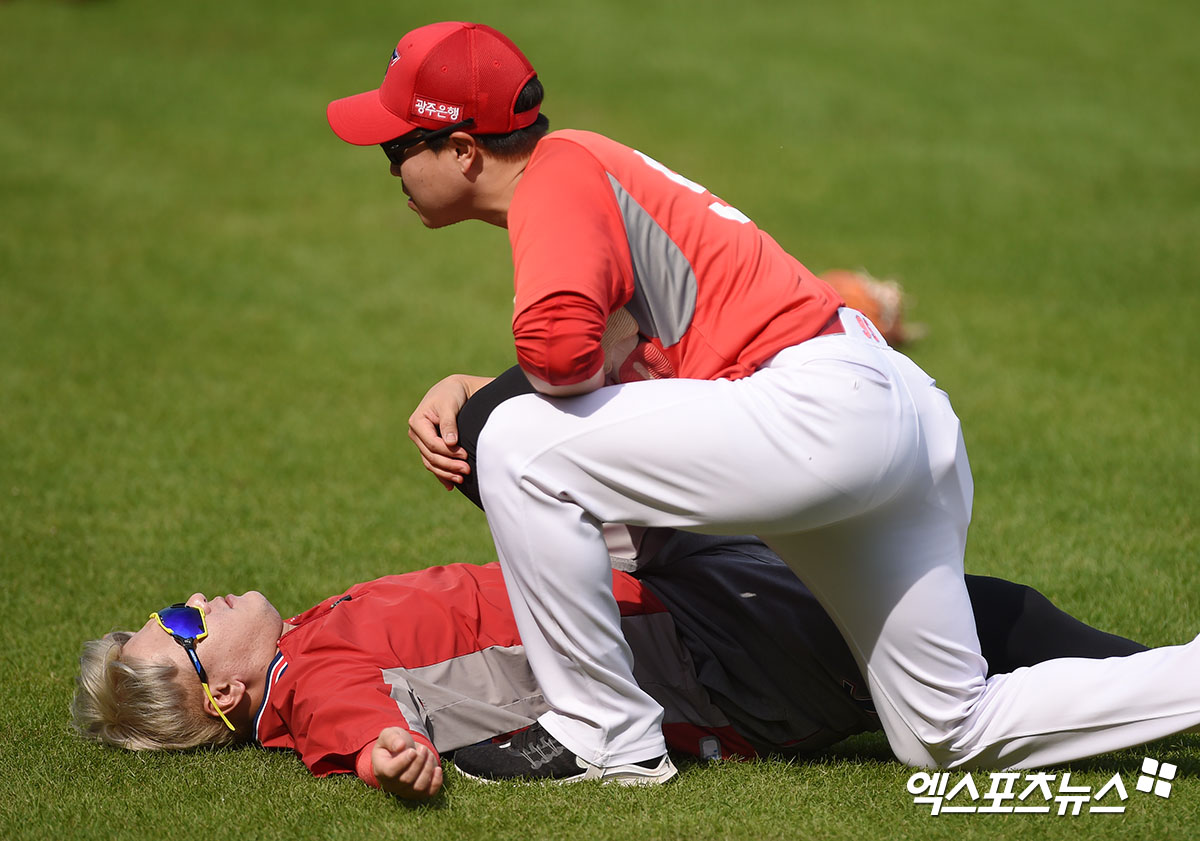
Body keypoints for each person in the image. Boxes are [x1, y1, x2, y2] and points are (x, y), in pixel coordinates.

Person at [326, 20, 1200, 785]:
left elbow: (557, 354)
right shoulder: (592, 170)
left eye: (398, 148)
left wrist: (483, 397)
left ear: (466, 150)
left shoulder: (557, 177)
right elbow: (624, 377)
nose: (389, 167)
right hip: (882, 414)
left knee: (512, 436)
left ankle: (605, 737)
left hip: (816, 412)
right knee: (945, 731)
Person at [71, 534, 1147, 801]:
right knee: (975, 622)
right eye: (182, 621)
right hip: (705, 653)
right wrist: (386, 757)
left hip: (690, 627)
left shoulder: (302, 641)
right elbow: (360, 724)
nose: (196, 598)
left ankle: (1154, 690)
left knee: (975, 623)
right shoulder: (309, 680)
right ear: (224, 692)